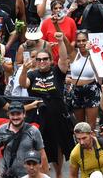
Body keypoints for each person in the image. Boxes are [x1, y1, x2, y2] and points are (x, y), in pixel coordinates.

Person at [19, 44, 73, 176]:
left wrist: (60, 41)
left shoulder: (57, 71)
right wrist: (24, 70)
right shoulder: (31, 74)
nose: (42, 62)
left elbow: (64, 58)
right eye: (39, 59)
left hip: (58, 114)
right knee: (39, 146)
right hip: (38, 116)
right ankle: (42, 175)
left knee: (59, 146)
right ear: (35, 61)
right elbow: (23, 84)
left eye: (45, 59)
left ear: (50, 60)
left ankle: (59, 173)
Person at [0, 101, 49, 178]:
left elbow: (42, 154)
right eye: (12, 114)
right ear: (8, 115)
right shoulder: (3, 129)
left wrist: (44, 175)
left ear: (24, 114)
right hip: (8, 174)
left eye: (18, 114)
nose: (15, 117)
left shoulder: (33, 131)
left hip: (28, 174)